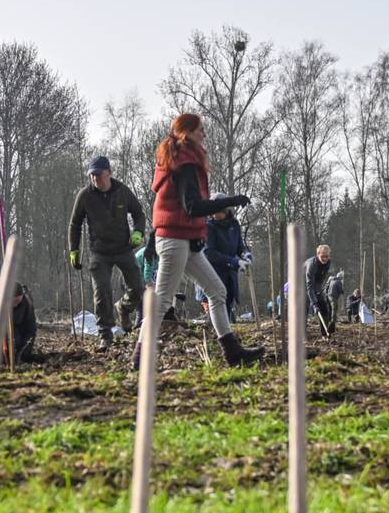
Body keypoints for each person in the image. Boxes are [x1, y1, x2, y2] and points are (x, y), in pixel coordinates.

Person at [135, 113, 262, 368]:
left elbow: (185, 211)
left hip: (185, 240)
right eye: (200, 130)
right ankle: (139, 358)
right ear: (186, 133)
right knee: (161, 303)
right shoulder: (184, 163)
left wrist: (196, 237)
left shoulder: (183, 160)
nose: (204, 133)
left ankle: (232, 351)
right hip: (174, 241)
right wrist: (230, 201)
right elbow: (192, 207)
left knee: (217, 292)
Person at [68, 156, 146, 349]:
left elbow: (138, 213)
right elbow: (75, 223)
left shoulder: (122, 191)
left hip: (123, 248)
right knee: (102, 291)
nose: (95, 179)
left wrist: (138, 232)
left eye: (98, 175)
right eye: (92, 175)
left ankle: (123, 308)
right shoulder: (85, 195)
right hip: (99, 251)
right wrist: (74, 249)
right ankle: (105, 333)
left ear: (109, 172)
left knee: (137, 288)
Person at [205, 197, 252, 322]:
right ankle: (219, 332)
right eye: (213, 212)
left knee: (229, 300)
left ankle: (228, 330)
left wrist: (244, 254)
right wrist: (234, 262)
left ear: (226, 211)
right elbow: (210, 253)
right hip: (216, 272)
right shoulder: (209, 227)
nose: (215, 215)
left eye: (218, 212)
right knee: (219, 302)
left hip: (231, 273)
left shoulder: (234, 224)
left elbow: (239, 246)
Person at [304, 245, 334, 335]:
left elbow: (321, 278)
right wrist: (314, 303)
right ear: (317, 255)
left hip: (315, 284)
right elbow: (309, 286)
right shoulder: (311, 265)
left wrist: (318, 291)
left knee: (324, 307)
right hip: (301, 283)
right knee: (304, 308)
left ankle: (325, 333)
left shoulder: (328, 262)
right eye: (322, 256)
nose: (325, 259)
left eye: (327, 256)